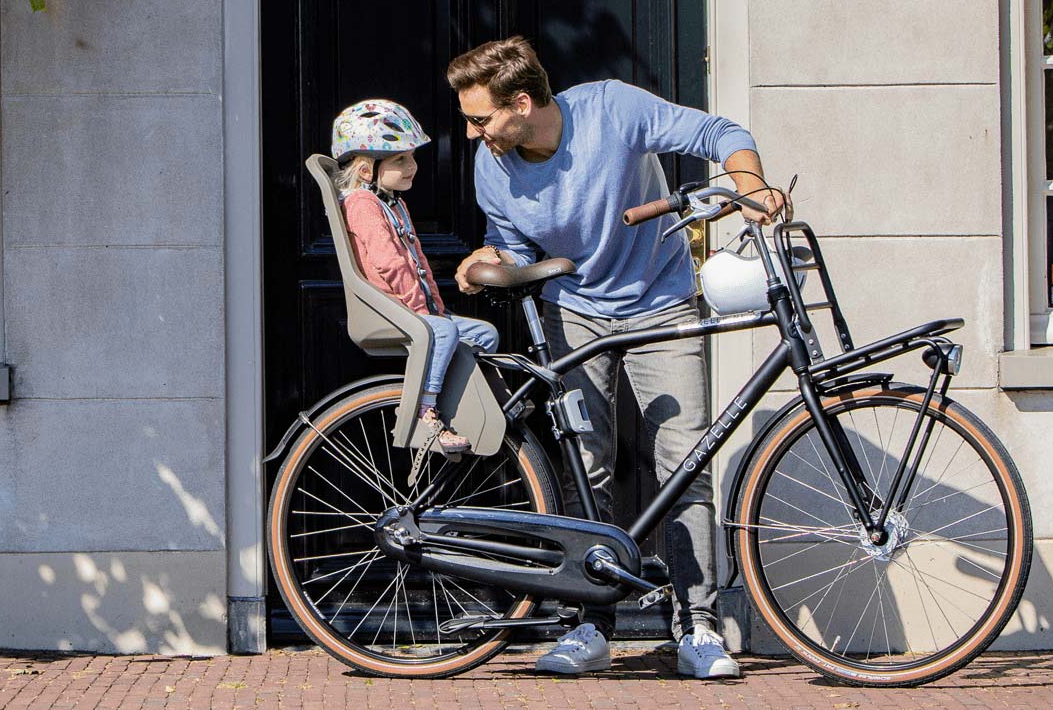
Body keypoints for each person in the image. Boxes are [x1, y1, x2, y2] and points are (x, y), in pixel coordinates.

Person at [447, 37, 787, 681]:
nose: (472, 134)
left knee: (685, 459)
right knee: (587, 464)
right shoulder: (494, 164)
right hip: (572, 309)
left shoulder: (613, 110)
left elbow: (720, 132)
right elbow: (509, 242)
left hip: (662, 300)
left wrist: (752, 187)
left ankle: (698, 627)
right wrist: (487, 262)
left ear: (522, 103)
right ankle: (588, 625)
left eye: (480, 118)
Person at [332, 98, 499, 454]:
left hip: (417, 308)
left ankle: (460, 407)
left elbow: (417, 260)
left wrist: (435, 307)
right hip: (392, 308)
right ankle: (425, 412)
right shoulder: (362, 205)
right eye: (400, 159)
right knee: (443, 330)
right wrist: (422, 312)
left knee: (485, 334)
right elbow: (390, 263)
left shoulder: (392, 202)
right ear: (366, 170)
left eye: (412, 157)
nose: (413, 167)